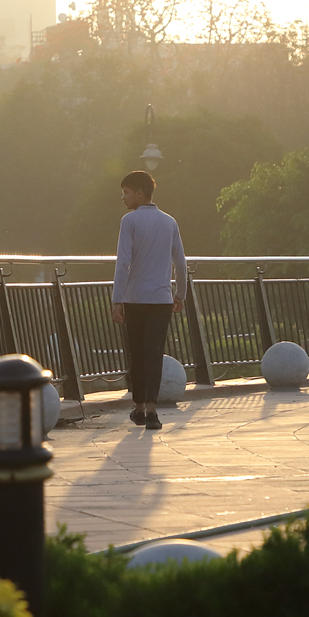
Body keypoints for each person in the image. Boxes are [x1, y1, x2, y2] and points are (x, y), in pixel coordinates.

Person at [111, 169, 186, 430]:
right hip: (162, 300)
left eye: (126, 192)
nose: (123, 197)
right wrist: (180, 294)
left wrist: (117, 299)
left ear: (139, 193)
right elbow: (180, 262)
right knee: (154, 353)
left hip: (135, 298)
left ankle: (139, 407)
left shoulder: (129, 221)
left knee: (137, 353)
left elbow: (123, 262)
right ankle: (153, 411)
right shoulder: (170, 222)